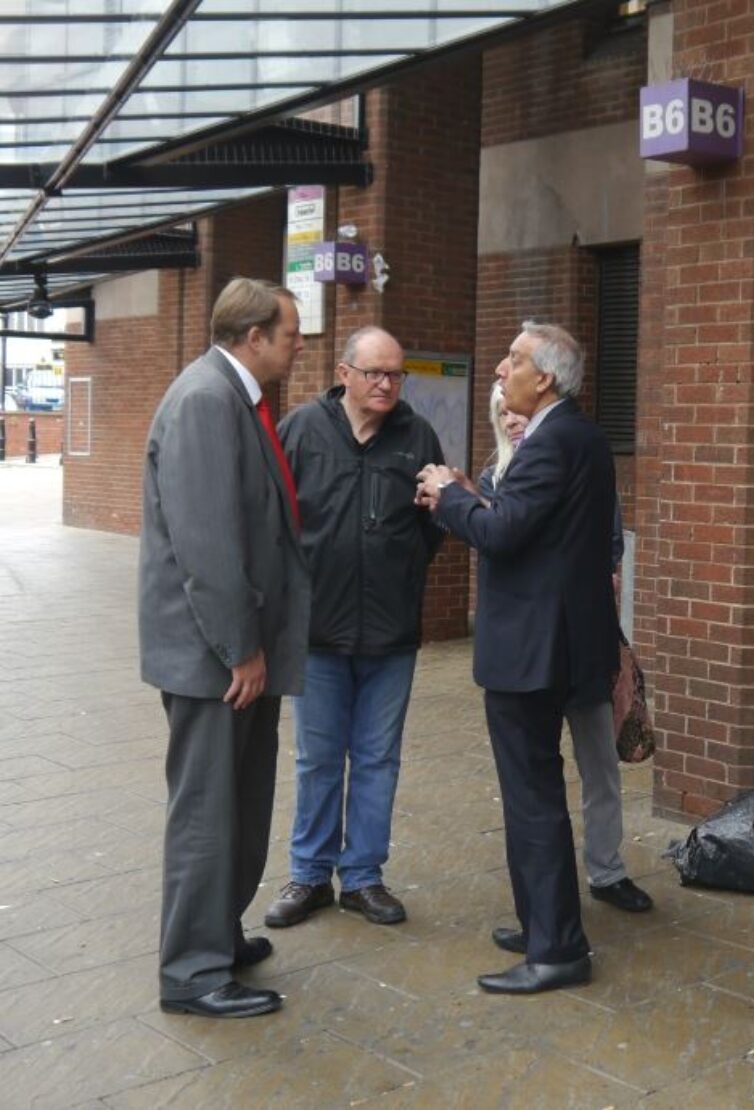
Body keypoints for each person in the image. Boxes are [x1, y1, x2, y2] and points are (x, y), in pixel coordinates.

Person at [416, 322, 617, 995]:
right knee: (538, 793)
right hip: (565, 644)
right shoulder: (583, 436)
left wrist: (448, 496)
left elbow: (501, 535)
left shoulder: (547, 444)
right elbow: (538, 531)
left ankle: (556, 948)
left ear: (547, 378)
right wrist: (474, 497)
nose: (501, 370)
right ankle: (542, 921)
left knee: (531, 797)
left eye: (514, 360)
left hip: (532, 653)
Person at [138, 277, 310, 1019]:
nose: (299, 345)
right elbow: (207, 544)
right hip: (218, 660)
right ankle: (192, 973)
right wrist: (242, 649)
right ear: (253, 338)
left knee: (240, 799)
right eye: (291, 334)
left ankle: (219, 934)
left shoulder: (234, 397)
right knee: (208, 810)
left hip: (239, 656)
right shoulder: (208, 401)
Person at [263, 327, 446, 930]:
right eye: (375, 373)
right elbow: (275, 519)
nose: (387, 384)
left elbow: (432, 525)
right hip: (318, 631)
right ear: (345, 373)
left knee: (377, 758)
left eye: (396, 374)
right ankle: (309, 875)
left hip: (391, 633)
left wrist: (402, 568)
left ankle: (363, 878)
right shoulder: (301, 430)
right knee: (318, 758)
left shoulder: (416, 435)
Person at [483, 383, 652, 914]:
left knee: (598, 761)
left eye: (517, 410)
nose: (512, 420)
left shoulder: (573, 462)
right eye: (502, 413)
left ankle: (607, 869)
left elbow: (608, 544)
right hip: (533, 655)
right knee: (536, 780)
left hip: (582, 647)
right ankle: (547, 902)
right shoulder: (493, 481)